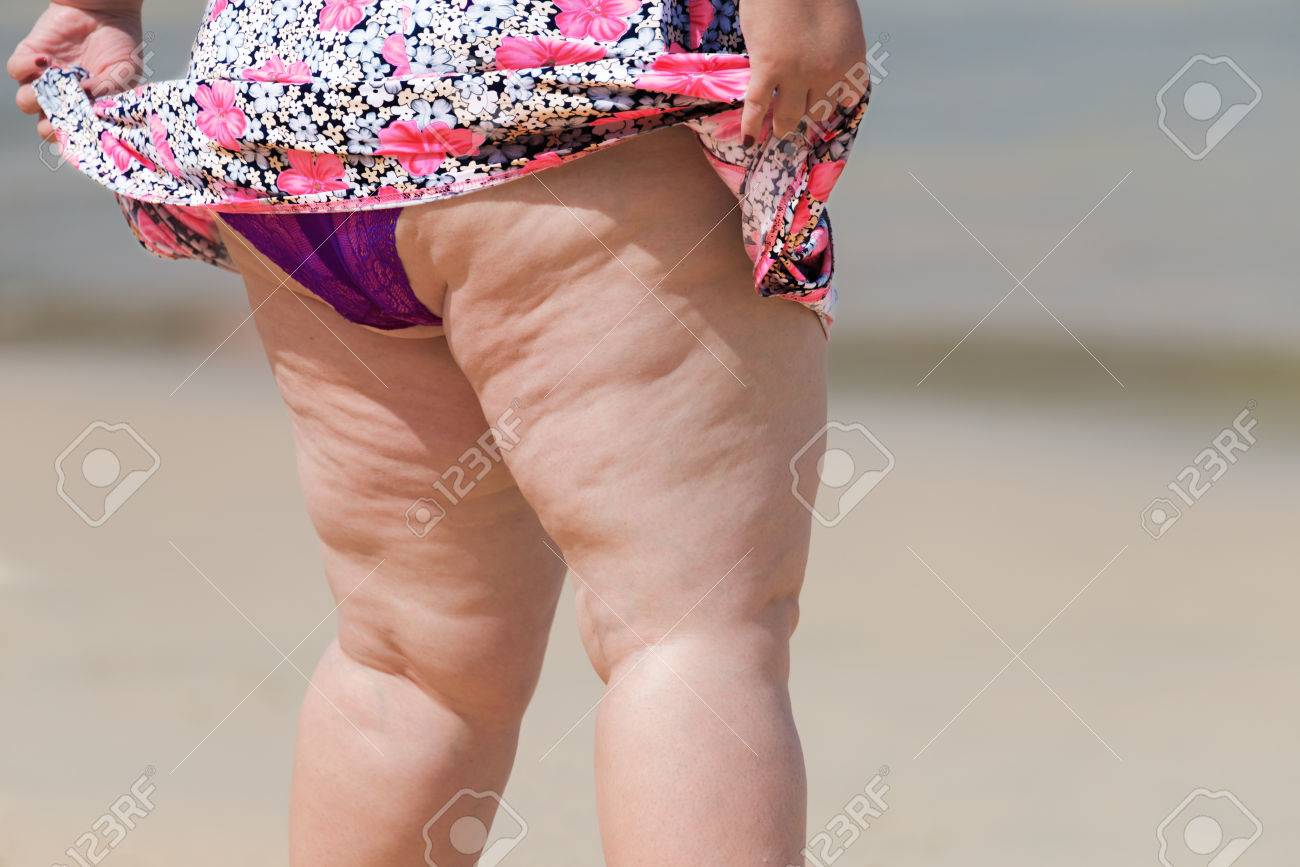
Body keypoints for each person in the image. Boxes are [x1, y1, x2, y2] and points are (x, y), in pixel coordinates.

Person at [9, 0, 869, 862]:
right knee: (689, 628)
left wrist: (100, 7)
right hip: (547, 93)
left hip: (285, 120)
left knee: (406, 661)